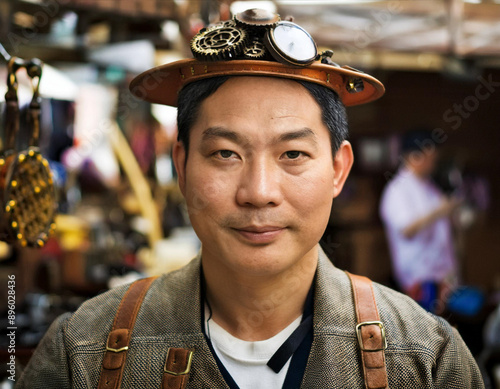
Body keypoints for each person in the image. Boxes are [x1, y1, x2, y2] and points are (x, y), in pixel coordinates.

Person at [18, 9, 483, 389]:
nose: (259, 192)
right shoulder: (84, 354)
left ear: (338, 169)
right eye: (225, 153)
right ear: (181, 166)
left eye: (293, 154)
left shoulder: (425, 359)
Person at [380, 130, 461, 312]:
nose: (434, 162)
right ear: (415, 155)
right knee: (426, 332)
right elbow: (406, 228)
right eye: (431, 157)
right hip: (419, 279)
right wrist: (440, 211)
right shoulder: (397, 190)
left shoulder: (430, 187)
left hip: (442, 275)